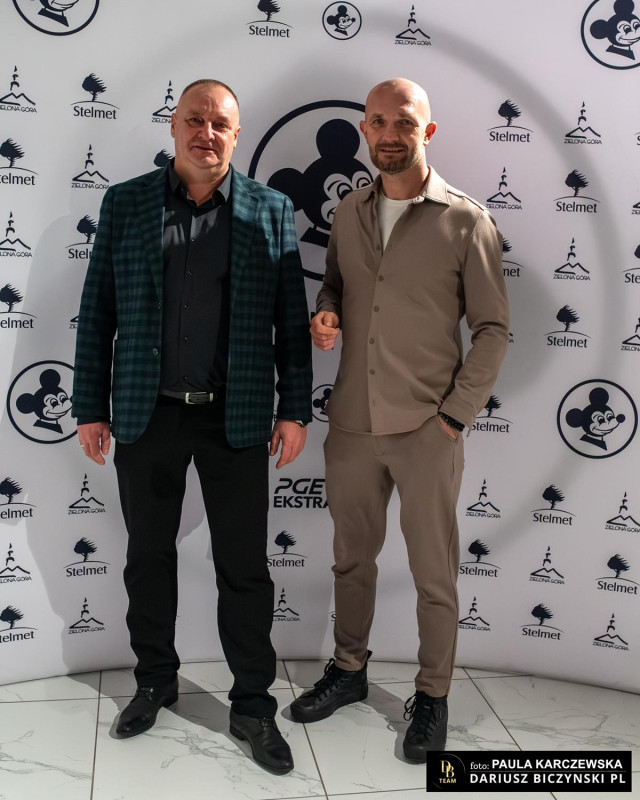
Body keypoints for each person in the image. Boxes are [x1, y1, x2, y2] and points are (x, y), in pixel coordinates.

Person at [73, 79, 312, 775]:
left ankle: (253, 704)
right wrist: (90, 406)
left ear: (236, 136)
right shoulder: (125, 203)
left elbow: (290, 324)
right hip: (146, 412)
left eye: (220, 124)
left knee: (245, 567)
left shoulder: (271, 209)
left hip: (235, 417)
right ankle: (154, 682)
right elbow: (98, 310)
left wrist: (294, 409)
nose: (206, 133)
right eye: (195, 119)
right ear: (174, 126)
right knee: (148, 557)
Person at [288, 78, 509, 760]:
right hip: (352, 423)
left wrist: (454, 418)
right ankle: (348, 670)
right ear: (365, 130)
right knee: (351, 560)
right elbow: (334, 283)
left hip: (427, 429)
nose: (389, 134)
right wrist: (326, 310)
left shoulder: (467, 222)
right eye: (378, 122)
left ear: (426, 132)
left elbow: (494, 329)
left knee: (433, 574)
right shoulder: (349, 211)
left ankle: (432, 696)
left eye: (403, 122)